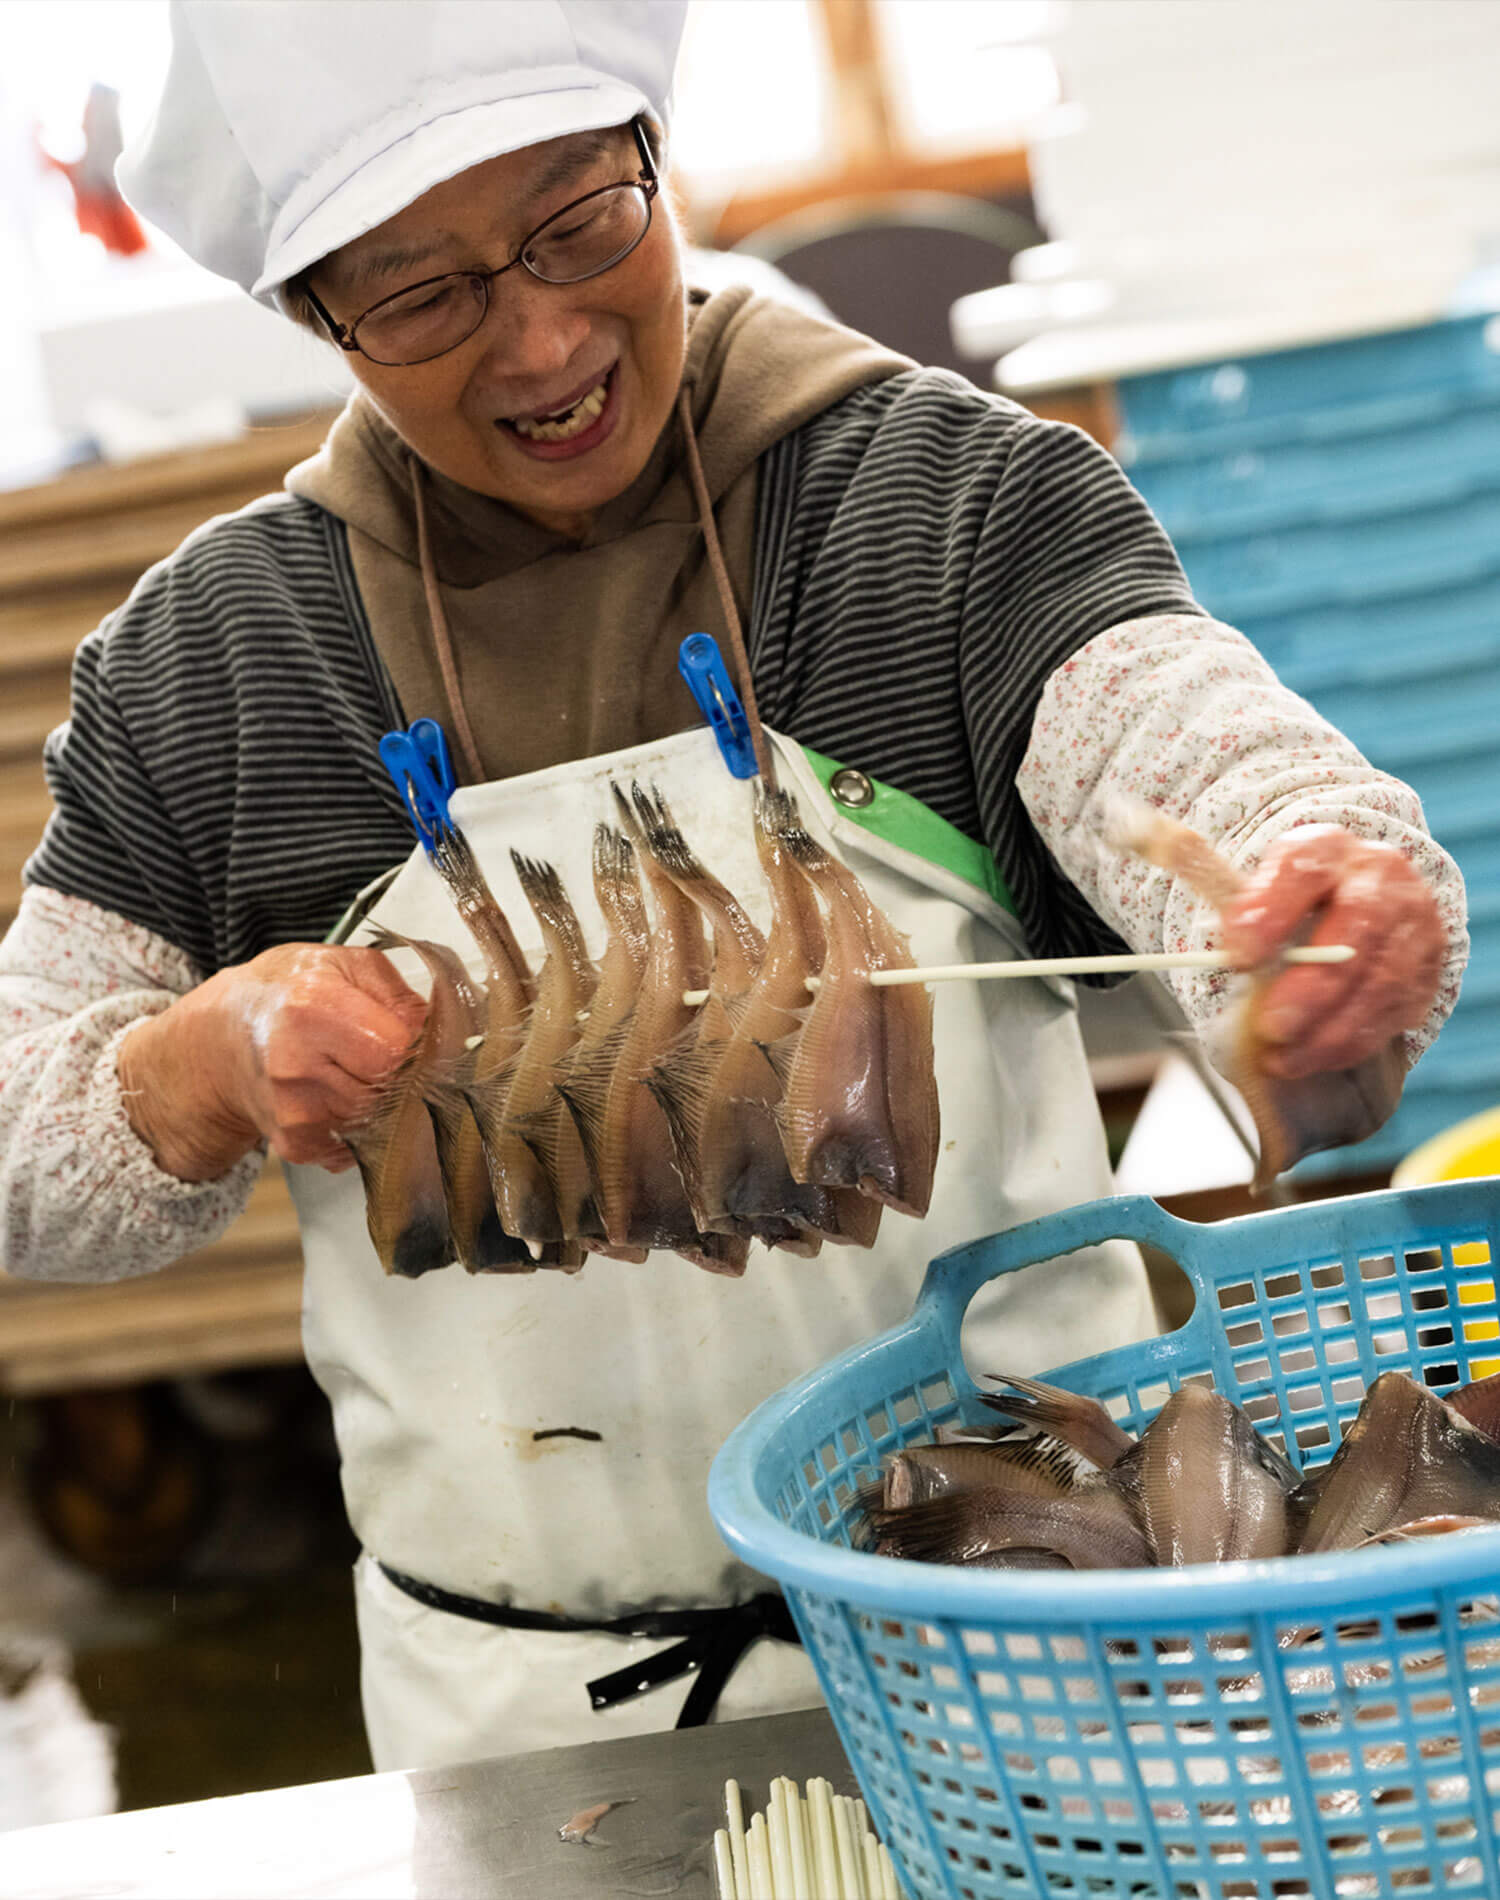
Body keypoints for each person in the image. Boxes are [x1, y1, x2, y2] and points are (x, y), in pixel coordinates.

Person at [0, 0, 1463, 1774]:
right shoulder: (213, 668)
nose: (541, 339)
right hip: (526, 1716)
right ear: (316, 316)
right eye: (422, 292)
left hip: (1045, 1626)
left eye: (577, 222)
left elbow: (1205, 765)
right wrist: (189, 1073)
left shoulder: (947, 503)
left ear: (655, 157)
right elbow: (23, 1163)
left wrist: (1308, 949)